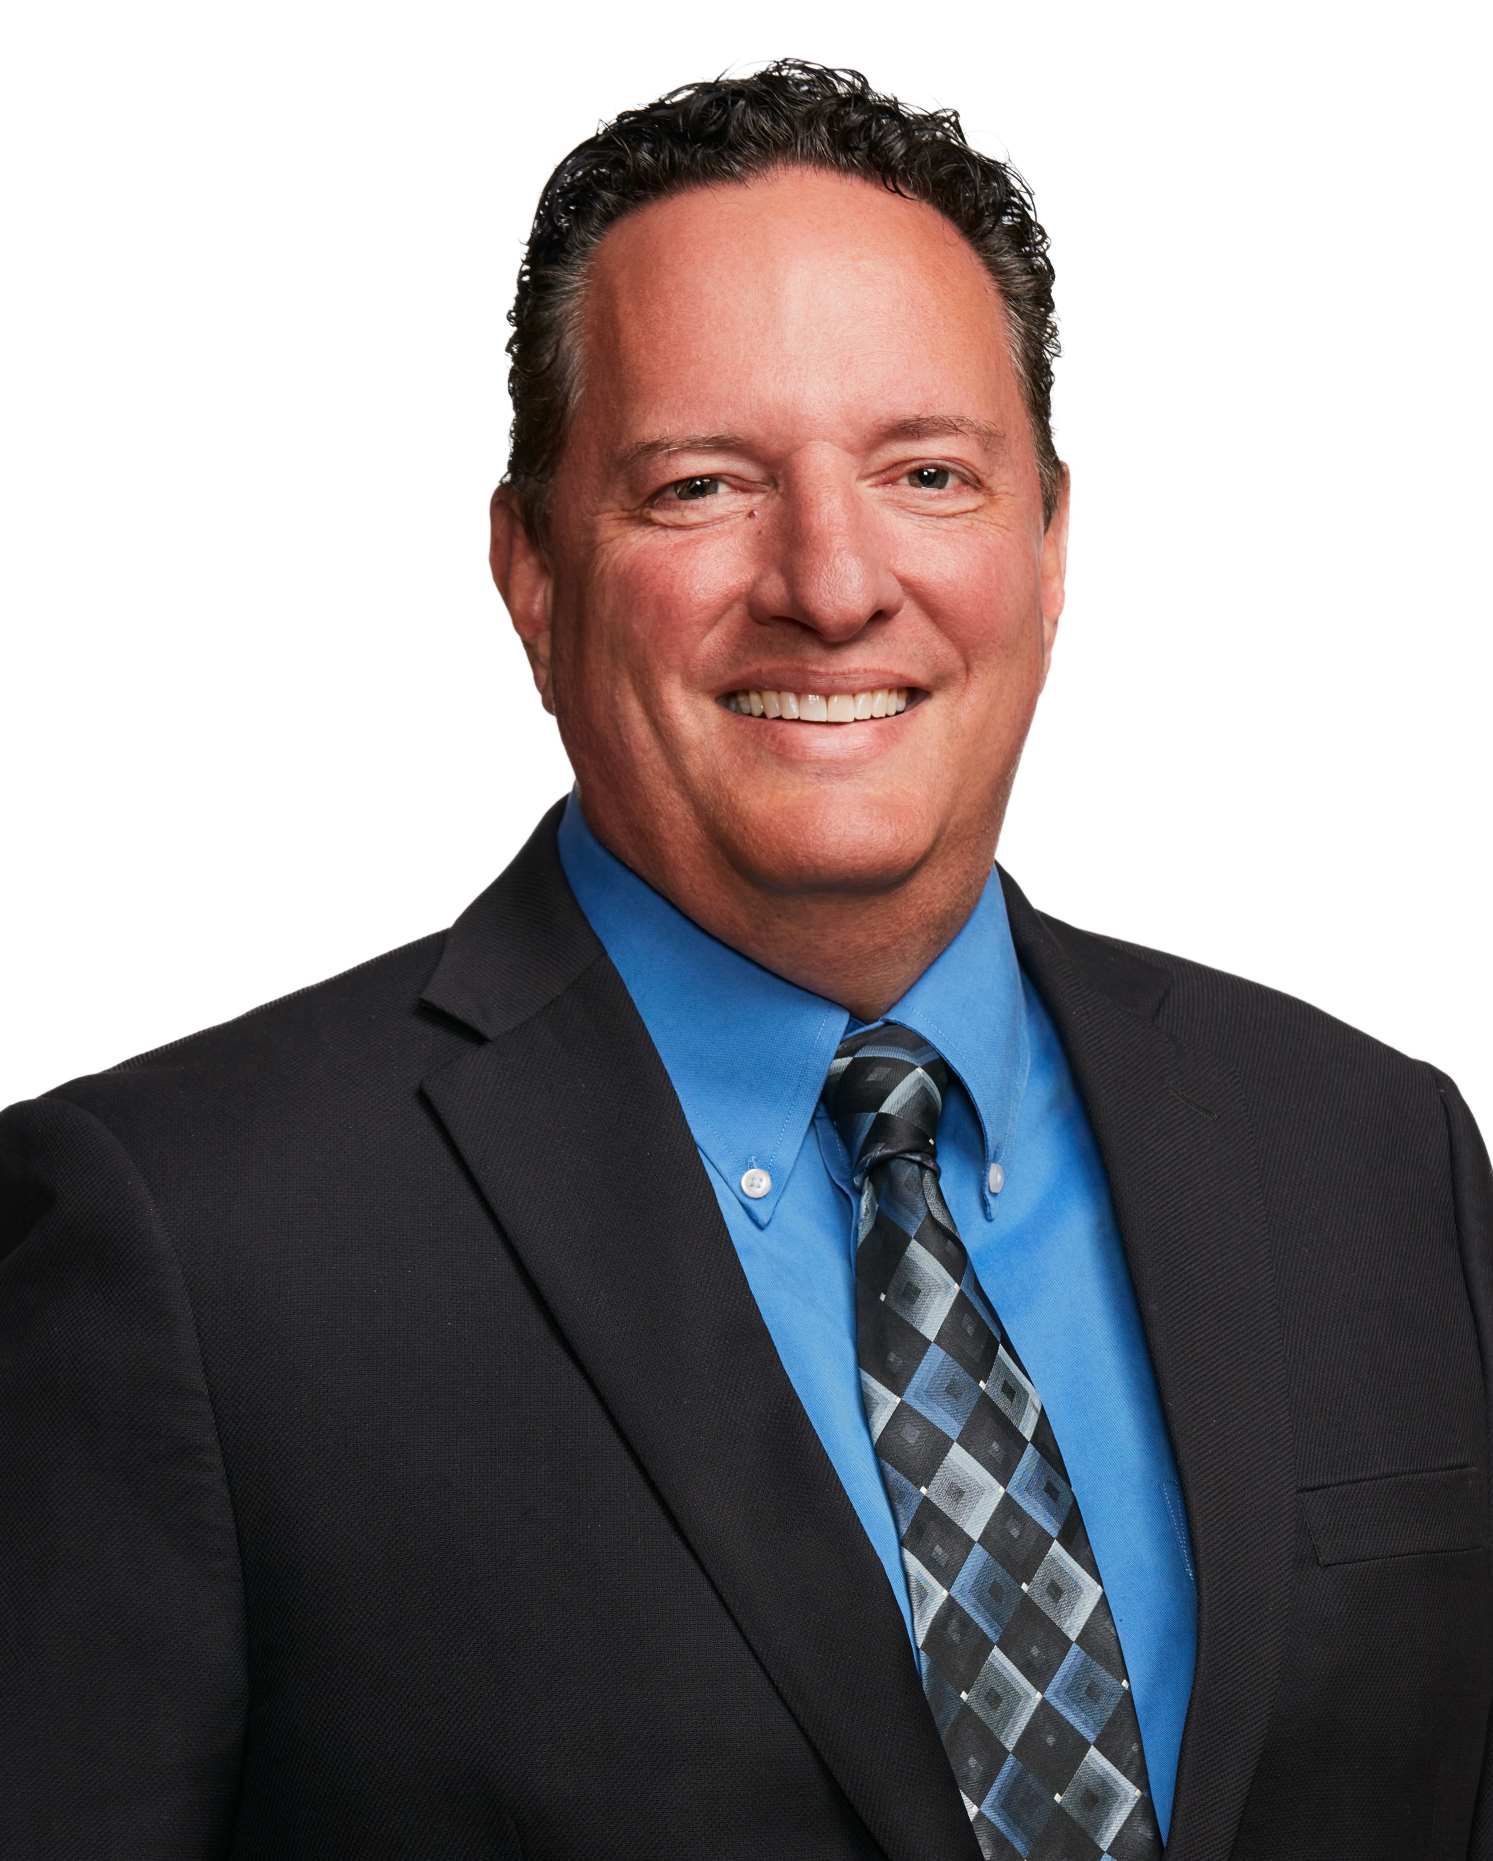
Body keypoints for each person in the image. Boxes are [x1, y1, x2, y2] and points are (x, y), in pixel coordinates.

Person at [2, 56, 1488, 1861]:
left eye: (927, 471)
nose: (831, 580)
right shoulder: (185, 1246)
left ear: (1047, 544)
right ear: (532, 575)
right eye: (702, 485)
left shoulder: (1375, 1159)